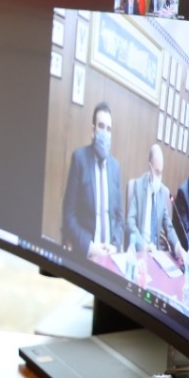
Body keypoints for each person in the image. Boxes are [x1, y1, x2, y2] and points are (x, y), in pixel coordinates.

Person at [61, 102, 124, 260]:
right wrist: (90, 247)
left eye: (109, 129)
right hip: (87, 253)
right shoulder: (79, 159)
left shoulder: (115, 168)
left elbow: (118, 218)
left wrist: (115, 244)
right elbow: (68, 216)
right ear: (93, 130)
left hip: (111, 254)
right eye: (101, 126)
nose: (105, 132)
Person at [126, 143, 176, 255]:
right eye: (157, 172)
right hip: (140, 250)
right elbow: (130, 222)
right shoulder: (139, 186)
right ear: (150, 168)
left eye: (161, 173)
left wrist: (178, 248)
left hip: (155, 253)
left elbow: (169, 227)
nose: (159, 177)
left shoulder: (162, 192)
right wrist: (143, 246)